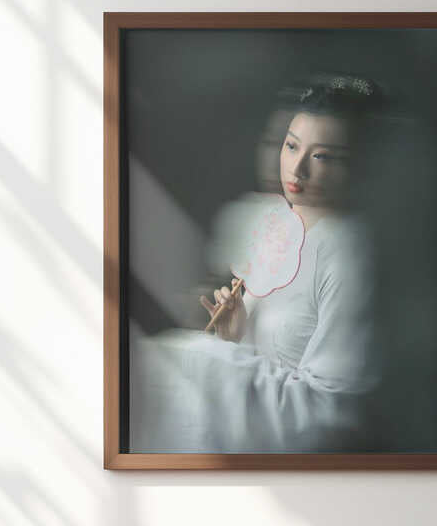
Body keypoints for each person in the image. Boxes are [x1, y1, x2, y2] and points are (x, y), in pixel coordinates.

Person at [130, 75, 383, 453]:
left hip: (299, 431)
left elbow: (335, 406)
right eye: (292, 146)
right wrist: (232, 337)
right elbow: (258, 358)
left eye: (322, 156)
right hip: (251, 419)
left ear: (354, 167)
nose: (297, 170)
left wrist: (211, 360)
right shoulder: (272, 222)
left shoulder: (347, 250)